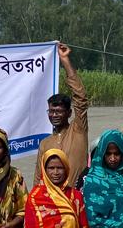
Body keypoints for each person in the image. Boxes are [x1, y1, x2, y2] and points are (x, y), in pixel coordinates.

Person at [36, 43, 89, 186]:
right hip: (53, 204)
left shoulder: (78, 129)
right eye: (51, 111)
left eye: (59, 111)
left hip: (78, 199)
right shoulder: (45, 143)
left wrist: (65, 60)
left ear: (69, 113)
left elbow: (81, 98)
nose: (54, 115)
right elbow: (38, 178)